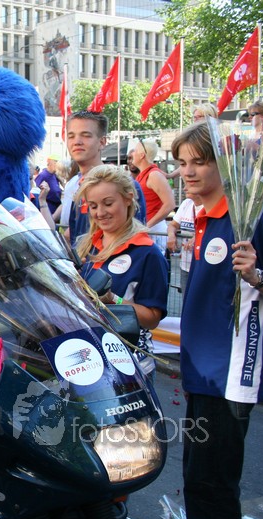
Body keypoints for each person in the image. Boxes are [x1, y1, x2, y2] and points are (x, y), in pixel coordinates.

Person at [166, 122, 263, 519]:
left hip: (230, 372)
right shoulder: (196, 218)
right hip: (200, 370)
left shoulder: (253, 219)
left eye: (199, 162)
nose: (187, 172)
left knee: (213, 484)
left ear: (224, 166)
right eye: (182, 163)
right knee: (197, 479)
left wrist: (256, 276)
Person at [76, 165, 168, 380]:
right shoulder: (85, 246)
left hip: (130, 366)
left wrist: (112, 299)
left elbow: (152, 319)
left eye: (108, 203)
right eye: (93, 206)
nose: (100, 213)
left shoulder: (148, 253)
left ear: (128, 199)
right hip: (89, 360)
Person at [62, 110, 147, 246]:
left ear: (102, 142)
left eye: (86, 135)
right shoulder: (75, 185)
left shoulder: (124, 184)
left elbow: (137, 239)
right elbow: (75, 236)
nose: (77, 142)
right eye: (71, 136)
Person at [130, 137, 175, 250]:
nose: (132, 154)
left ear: (142, 155)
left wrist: (148, 225)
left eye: (135, 151)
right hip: (146, 229)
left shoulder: (154, 175)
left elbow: (170, 204)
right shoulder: (144, 175)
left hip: (153, 231)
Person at [167, 188, 201, 298]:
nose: (185, 188)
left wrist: (198, 237)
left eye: (190, 185)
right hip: (185, 265)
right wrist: (171, 236)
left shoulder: (209, 205)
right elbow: (173, 225)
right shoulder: (187, 203)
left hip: (201, 266)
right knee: (186, 300)